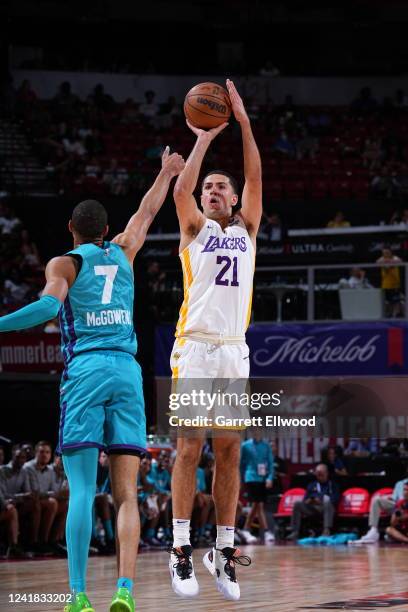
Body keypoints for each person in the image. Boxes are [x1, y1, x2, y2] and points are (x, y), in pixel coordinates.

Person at [0, 148, 185, 612]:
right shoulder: (124, 249)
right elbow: (147, 210)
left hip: (86, 370)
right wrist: (166, 171)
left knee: (82, 490)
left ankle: (79, 595)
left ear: (71, 229)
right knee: (127, 494)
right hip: (128, 371)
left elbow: (45, 308)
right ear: (106, 231)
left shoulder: (64, 263)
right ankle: (124, 591)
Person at [169, 79, 260, 601]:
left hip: (233, 348)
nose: (212, 191)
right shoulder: (195, 230)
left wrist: (243, 124)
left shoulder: (247, 229)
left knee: (230, 453)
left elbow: (254, 174)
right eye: (209, 189)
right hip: (197, 344)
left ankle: (222, 552)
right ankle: (181, 548)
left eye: (220, 188)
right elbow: (182, 189)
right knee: (189, 447)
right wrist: (202, 135)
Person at [350, 470, 408, 545]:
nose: (405, 492)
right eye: (404, 490)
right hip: (399, 505)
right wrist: (397, 513)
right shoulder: (400, 483)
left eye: (406, 490)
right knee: (377, 500)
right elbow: (394, 499)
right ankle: (373, 530)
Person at [287, 464, 340, 540]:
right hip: (313, 508)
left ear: (326, 473)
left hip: (326, 508)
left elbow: (335, 499)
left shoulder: (332, 485)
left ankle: (326, 530)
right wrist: (308, 501)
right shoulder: (311, 485)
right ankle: (295, 531)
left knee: (327, 501)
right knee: (297, 504)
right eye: (318, 474)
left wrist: (321, 500)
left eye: (321, 474)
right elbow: (305, 499)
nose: (319, 476)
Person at [240, 433, 275, 544]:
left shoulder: (266, 446)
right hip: (250, 477)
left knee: (257, 505)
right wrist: (241, 479)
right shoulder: (245, 445)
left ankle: (246, 529)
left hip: (262, 478)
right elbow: (242, 464)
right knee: (258, 504)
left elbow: (270, 463)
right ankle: (266, 531)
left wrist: (270, 477)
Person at [377, 248, 404, 318]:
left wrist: (389, 261)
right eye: (384, 253)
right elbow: (377, 262)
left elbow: (400, 261)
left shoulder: (395, 258)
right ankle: (389, 314)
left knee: (396, 301)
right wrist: (386, 261)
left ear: (390, 252)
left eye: (387, 252)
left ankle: (395, 315)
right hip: (385, 284)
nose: (385, 254)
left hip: (395, 283)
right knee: (387, 301)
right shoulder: (381, 259)